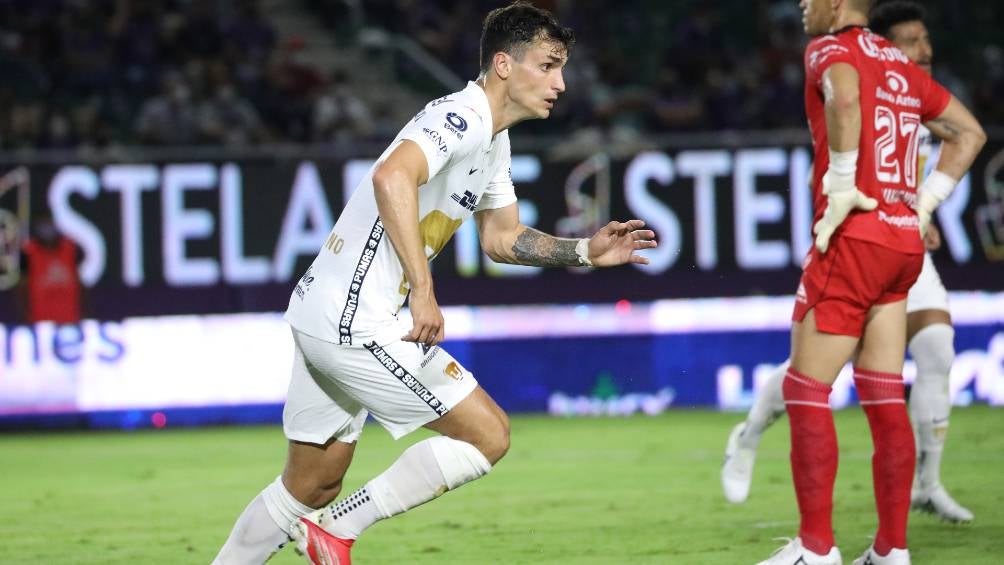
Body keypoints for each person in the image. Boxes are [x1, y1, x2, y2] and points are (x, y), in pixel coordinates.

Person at [213, 3, 656, 564]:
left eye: (561, 68)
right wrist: (422, 290)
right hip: (352, 321)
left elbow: (502, 237)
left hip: (321, 312)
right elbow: (391, 174)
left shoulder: (494, 140)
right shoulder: (461, 117)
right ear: (503, 64)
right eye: (547, 66)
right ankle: (336, 532)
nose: (560, 83)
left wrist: (584, 252)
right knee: (488, 435)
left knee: (312, 483)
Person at [722, 0, 974, 524]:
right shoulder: (887, 73)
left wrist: (918, 202)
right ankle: (750, 434)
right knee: (833, 374)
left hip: (872, 236)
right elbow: (961, 132)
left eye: (925, 39)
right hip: (883, 236)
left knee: (927, 352)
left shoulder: (872, 67)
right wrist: (900, 203)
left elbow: (845, 102)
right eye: (911, 40)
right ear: (883, 39)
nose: (922, 50)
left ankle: (862, 521)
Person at [16, 211, 87, 324]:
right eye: (43, 223)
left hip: (69, 318)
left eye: (49, 222)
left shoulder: (71, 249)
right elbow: (22, 288)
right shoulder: (29, 253)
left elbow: (81, 285)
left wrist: (82, 314)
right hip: (39, 320)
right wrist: (25, 316)